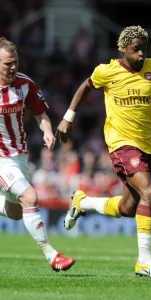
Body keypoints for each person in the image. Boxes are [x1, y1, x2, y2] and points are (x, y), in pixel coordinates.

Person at [56, 25, 151, 276]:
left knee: (129, 208)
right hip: (121, 143)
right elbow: (86, 86)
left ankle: (82, 203)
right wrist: (68, 117)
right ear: (123, 49)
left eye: (144, 49)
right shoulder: (107, 71)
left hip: (149, 145)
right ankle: (143, 261)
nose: (141, 54)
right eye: (136, 50)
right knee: (149, 192)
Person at [0, 37, 75, 271]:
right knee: (30, 198)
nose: (13, 67)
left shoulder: (25, 84)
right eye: (7, 64)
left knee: (14, 212)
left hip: (19, 156)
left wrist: (47, 132)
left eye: (15, 62)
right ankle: (52, 255)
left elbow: (40, 114)